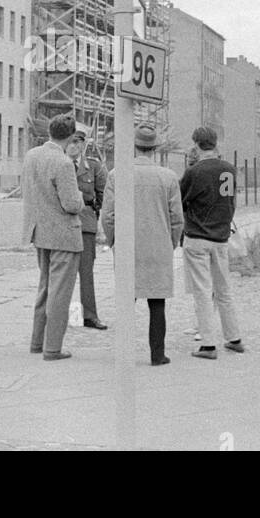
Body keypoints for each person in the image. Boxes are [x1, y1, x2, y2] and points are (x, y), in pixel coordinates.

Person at [100, 125, 184, 366]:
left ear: (133, 145)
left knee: (127, 302)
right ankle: (157, 354)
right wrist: (171, 242)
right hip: (158, 247)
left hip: (128, 246)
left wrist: (113, 240)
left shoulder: (118, 174)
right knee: (157, 303)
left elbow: (108, 215)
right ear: (155, 148)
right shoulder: (167, 177)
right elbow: (177, 217)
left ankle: (124, 354)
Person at [22, 114, 86, 361]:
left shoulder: (32, 155)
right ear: (71, 136)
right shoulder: (63, 163)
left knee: (45, 288)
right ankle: (53, 347)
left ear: (49, 132)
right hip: (63, 234)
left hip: (39, 231)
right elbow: (71, 204)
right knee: (60, 293)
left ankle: (37, 341)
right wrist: (80, 197)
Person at [178, 126, 244, 360]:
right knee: (223, 290)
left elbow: (180, 199)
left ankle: (208, 344)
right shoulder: (229, 169)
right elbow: (231, 201)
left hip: (198, 237)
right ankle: (234, 337)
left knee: (203, 292)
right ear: (215, 144)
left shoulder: (195, 171)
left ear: (196, 144)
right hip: (221, 237)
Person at [68, 124, 108, 330]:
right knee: (61, 273)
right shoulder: (60, 164)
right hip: (63, 224)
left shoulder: (94, 166)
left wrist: (91, 208)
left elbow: (103, 195)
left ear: (84, 145)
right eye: (70, 141)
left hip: (85, 224)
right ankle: (56, 314)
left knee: (86, 272)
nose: (73, 145)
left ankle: (90, 315)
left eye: (77, 141)